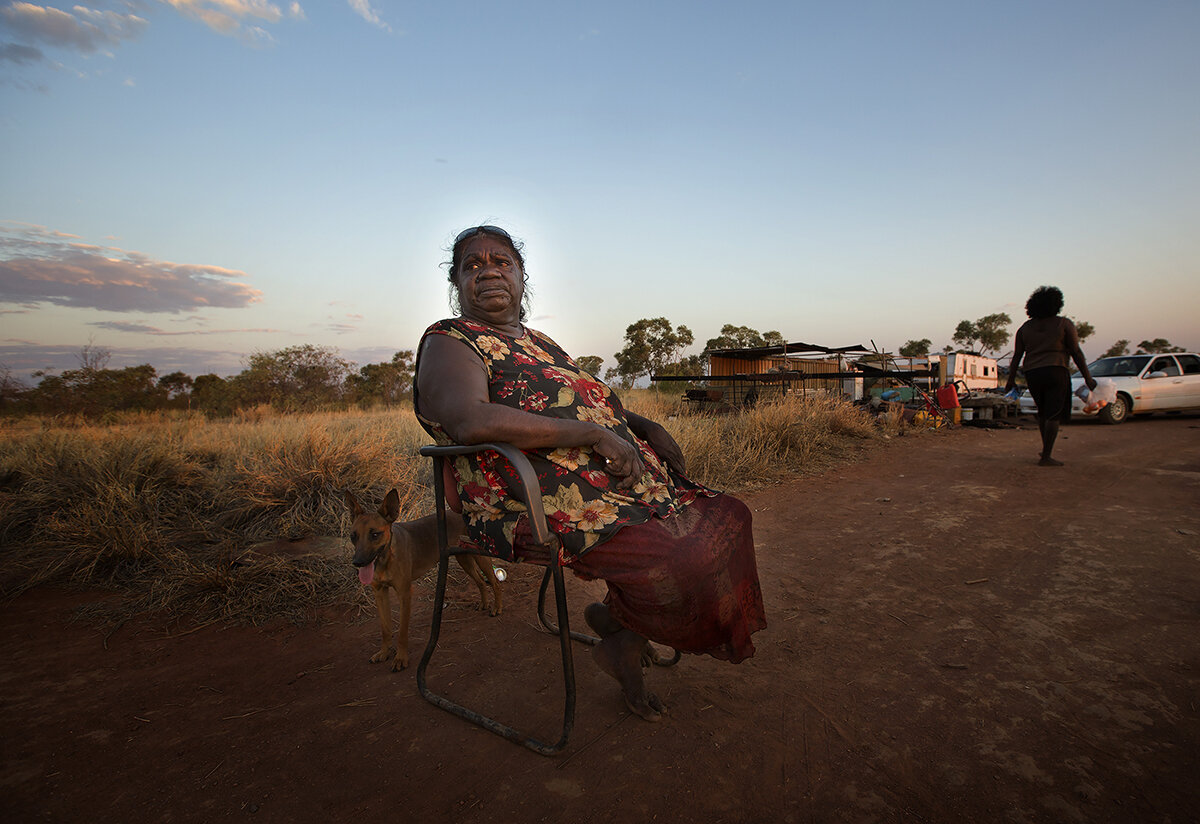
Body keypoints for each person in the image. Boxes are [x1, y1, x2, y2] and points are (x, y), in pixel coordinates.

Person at [413, 225, 766, 721]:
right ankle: (624, 636)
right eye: (472, 264)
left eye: (501, 261)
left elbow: (590, 401)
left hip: (610, 483)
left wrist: (643, 426)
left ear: (521, 275)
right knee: (682, 557)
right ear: (456, 283)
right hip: (529, 497)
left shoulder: (541, 343)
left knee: (728, 518)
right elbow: (470, 419)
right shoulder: (451, 340)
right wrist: (593, 436)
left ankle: (622, 626)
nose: (488, 271)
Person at [1005, 286, 1097, 466]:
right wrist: (1088, 377)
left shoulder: (1024, 328)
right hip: (1056, 370)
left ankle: (1045, 450)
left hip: (1033, 373)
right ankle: (1046, 456)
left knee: (1042, 412)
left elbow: (1017, 356)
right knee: (1053, 414)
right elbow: (1076, 352)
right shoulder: (1063, 324)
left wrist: (1010, 380)